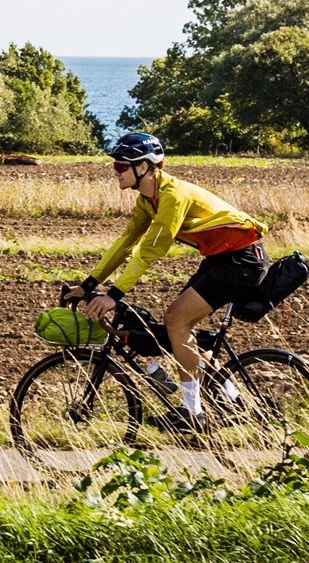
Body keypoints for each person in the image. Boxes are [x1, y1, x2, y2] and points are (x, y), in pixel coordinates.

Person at [75, 131, 270, 426]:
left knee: (176, 320)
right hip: (222, 259)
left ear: (144, 167)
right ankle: (237, 402)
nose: (115, 172)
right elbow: (126, 242)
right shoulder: (148, 200)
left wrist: (114, 295)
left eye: (120, 166)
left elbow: (152, 249)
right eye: (114, 166)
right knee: (182, 332)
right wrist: (89, 283)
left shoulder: (172, 196)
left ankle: (192, 413)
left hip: (241, 260)